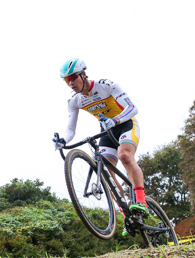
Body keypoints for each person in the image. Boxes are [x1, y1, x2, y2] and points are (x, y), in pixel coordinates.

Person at [52, 58, 148, 213]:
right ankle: (126, 214)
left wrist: (115, 120)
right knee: (105, 174)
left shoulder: (106, 85)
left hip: (126, 124)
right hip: (107, 132)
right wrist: (63, 141)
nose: (70, 83)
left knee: (125, 156)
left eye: (72, 78)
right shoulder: (75, 101)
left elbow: (132, 108)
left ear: (83, 74)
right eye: (66, 80)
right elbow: (71, 130)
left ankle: (142, 201)